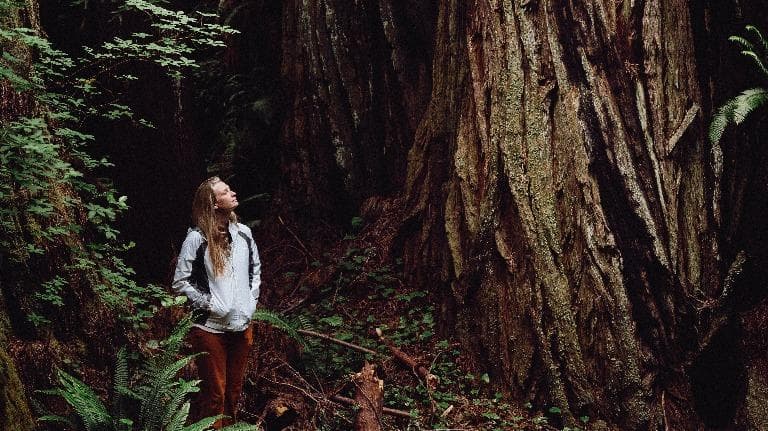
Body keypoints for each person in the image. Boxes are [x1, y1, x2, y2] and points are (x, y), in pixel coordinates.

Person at [172, 176, 261, 428]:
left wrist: (250, 303)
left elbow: (255, 270)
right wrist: (211, 305)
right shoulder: (197, 239)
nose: (233, 193)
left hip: (242, 326)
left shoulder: (244, 233)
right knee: (215, 395)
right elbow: (181, 281)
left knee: (233, 394)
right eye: (225, 192)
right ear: (213, 204)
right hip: (209, 329)